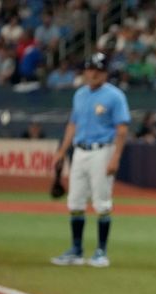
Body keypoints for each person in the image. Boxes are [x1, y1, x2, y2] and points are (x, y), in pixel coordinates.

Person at [50, 52, 130, 268]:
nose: (93, 73)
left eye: (98, 69)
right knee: (75, 201)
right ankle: (76, 250)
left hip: (102, 150)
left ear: (105, 73)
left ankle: (101, 251)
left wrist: (115, 157)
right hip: (79, 151)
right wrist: (61, 151)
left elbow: (121, 130)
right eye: (90, 68)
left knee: (102, 202)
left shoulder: (114, 96)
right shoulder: (80, 94)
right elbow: (72, 124)